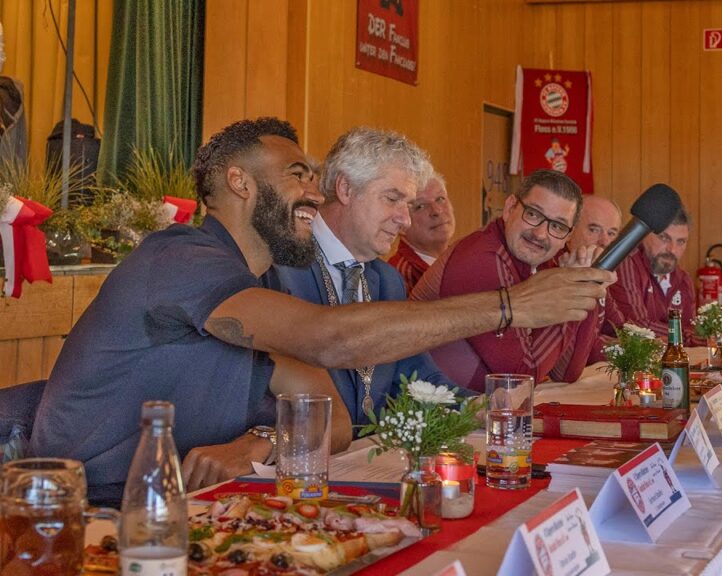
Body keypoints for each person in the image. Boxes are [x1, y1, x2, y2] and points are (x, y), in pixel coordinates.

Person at [29, 118, 614, 504]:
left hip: (194, 502)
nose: (314, 192)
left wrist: (262, 440)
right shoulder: (183, 259)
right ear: (239, 181)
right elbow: (329, 341)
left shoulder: (246, 282)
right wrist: (508, 307)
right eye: (298, 177)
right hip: (91, 508)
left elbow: (328, 416)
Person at [276, 127, 454, 426]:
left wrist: (485, 407)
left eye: (408, 205)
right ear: (346, 189)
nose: (405, 220)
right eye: (392, 199)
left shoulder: (387, 280)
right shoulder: (282, 267)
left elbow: (418, 376)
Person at [411, 169, 602, 391]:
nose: (540, 234)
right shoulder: (480, 257)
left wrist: (584, 287)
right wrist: (570, 292)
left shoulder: (541, 260)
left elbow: (566, 371)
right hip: (437, 416)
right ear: (510, 208)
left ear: (568, 237)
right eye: (533, 214)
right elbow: (520, 376)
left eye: (557, 226)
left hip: (479, 411)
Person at [603, 207, 697, 344]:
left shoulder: (684, 280)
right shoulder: (627, 263)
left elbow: (691, 328)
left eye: (681, 241)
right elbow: (638, 326)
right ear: (644, 234)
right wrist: (689, 338)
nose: (672, 249)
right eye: (664, 238)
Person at [388, 173, 455, 291]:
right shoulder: (398, 276)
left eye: (440, 199)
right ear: (402, 223)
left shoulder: (463, 259)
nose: (436, 211)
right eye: (420, 206)